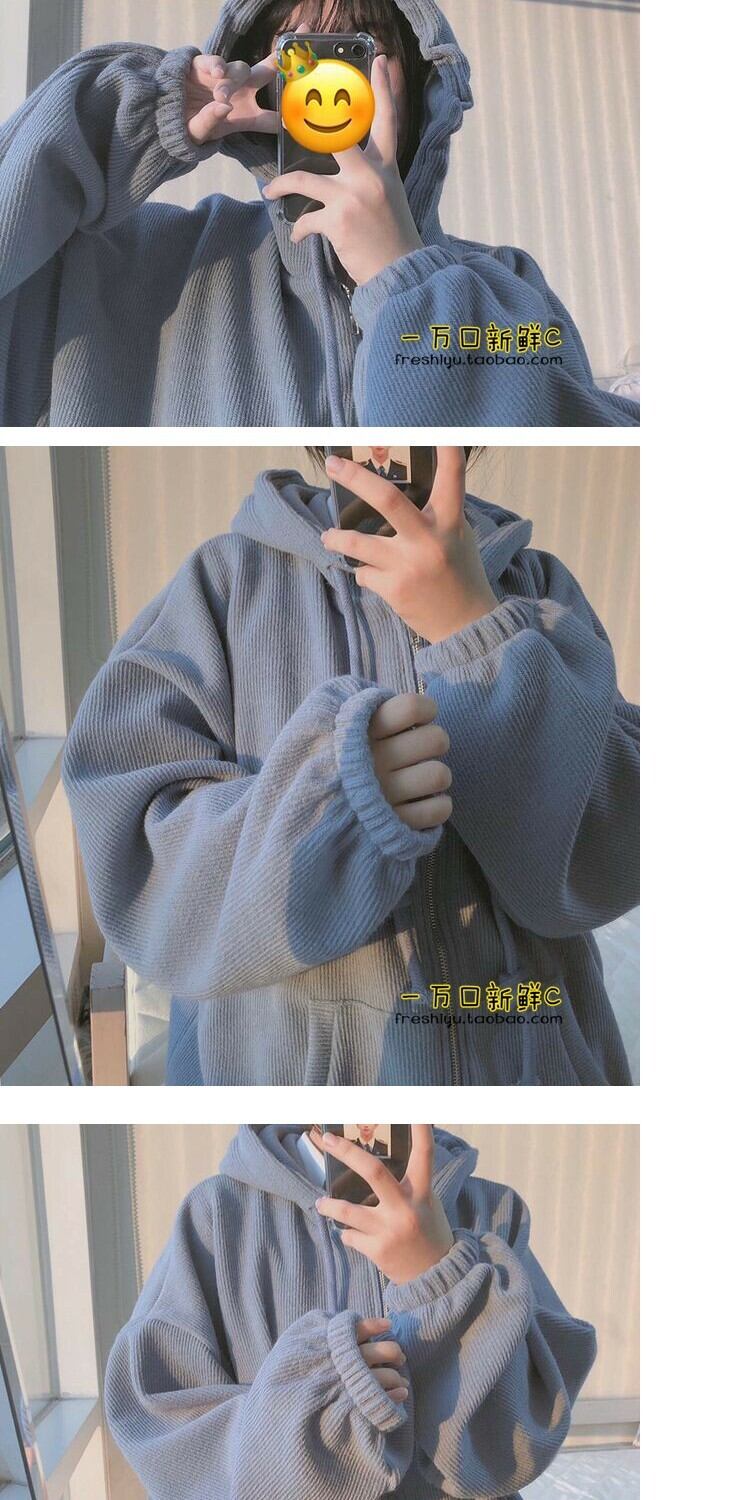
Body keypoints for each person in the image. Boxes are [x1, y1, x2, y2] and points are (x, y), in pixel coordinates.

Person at [61, 448, 639, 1087]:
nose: (388, 444)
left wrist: (477, 629)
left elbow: (618, 852)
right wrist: (336, 798)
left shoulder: (534, 588)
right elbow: (138, 863)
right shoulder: (224, 584)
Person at [0, 0, 639, 427]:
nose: (328, 82)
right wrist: (147, 107)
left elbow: (592, 427)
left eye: (359, 48)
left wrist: (406, 281)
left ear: (418, 83)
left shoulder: (509, 288)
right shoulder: (140, 261)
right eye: (297, 53)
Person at [104, 1124, 597, 1499]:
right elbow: (160, 1430)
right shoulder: (217, 1215)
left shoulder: (491, 1211)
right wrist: (311, 1408)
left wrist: (440, 1275)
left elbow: (517, 1444)